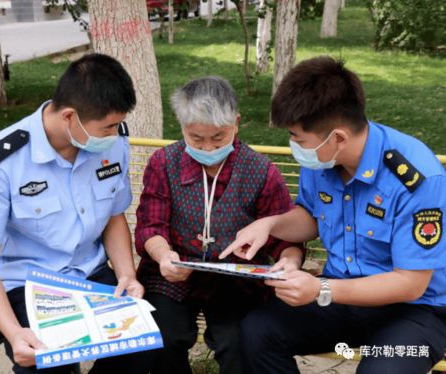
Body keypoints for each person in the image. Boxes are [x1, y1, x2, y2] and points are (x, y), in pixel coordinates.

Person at [220, 56, 446, 373]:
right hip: (342, 295)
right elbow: (311, 218)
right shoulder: (323, 160)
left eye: (298, 139)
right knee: (257, 333)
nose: (294, 145)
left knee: (382, 370)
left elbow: (411, 284)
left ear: (337, 137)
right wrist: (270, 225)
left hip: (413, 310)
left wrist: (322, 290)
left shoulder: (415, 178)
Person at [0, 53, 153, 373]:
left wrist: (126, 274)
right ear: (69, 117)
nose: (113, 135)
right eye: (106, 127)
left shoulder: (113, 142)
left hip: (91, 275)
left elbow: (113, 216)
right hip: (29, 286)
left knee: (141, 350)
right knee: (47, 364)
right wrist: (15, 333)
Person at [134, 76, 304, 374]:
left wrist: (289, 262)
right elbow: (151, 225)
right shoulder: (164, 163)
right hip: (172, 273)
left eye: (219, 137)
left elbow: (286, 238)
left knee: (239, 339)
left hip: (235, 281)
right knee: (162, 334)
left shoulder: (261, 172)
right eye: (196, 139)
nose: (209, 148)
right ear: (181, 125)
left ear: (236, 123)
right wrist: (164, 256)